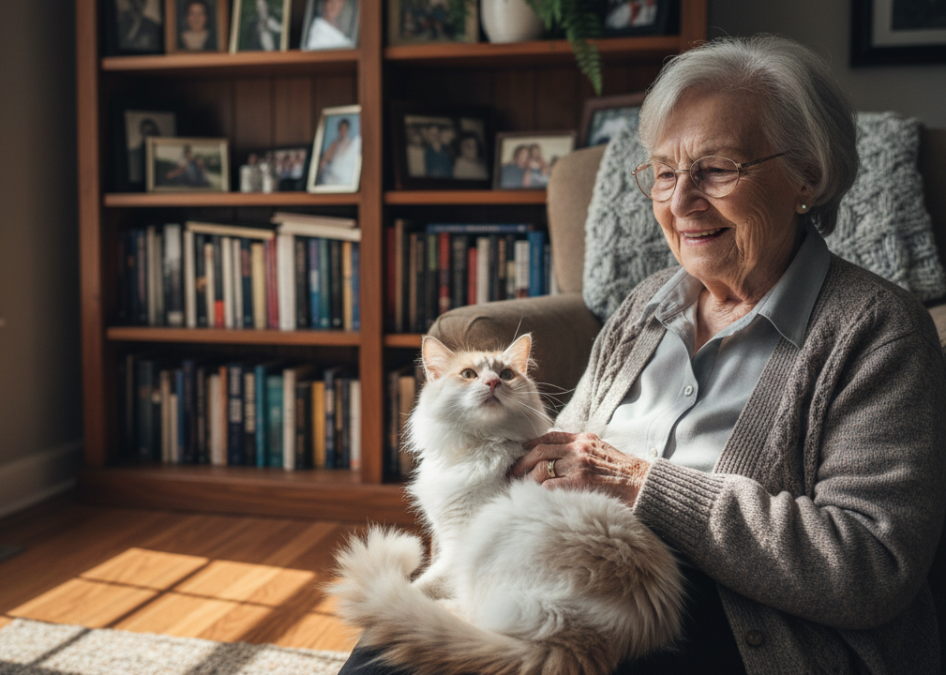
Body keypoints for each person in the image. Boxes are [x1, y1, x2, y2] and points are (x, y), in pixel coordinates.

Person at [337, 35, 946, 675]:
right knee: (385, 650)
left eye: (716, 169)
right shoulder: (647, 304)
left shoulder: (877, 330)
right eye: (663, 172)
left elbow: (871, 566)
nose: (680, 202)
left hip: (744, 624)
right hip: (572, 570)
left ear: (807, 177)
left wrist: (639, 483)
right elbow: (561, 447)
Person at [317, 117, 360, 187]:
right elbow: (324, 160)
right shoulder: (334, 144)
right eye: (341, 129)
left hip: (345, 179)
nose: (342, 131)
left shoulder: (352, 145)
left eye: (344, 129)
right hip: (332, 178)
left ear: (348, 130)